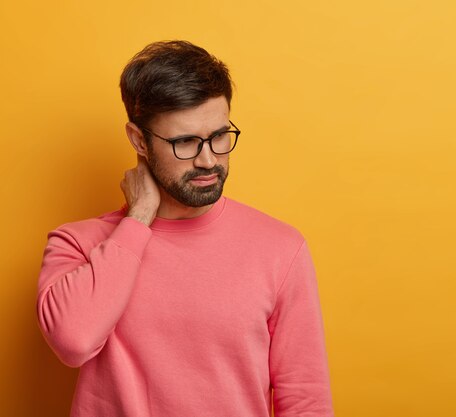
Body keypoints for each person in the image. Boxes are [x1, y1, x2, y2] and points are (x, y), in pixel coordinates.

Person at [36, 40, 334, 417]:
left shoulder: (280, 249)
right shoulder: (78, 244)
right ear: (138, 140)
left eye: (220, 136)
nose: (209, 160)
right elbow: (74, 342)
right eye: (185, 142)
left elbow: (305, 400)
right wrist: (139, 216)